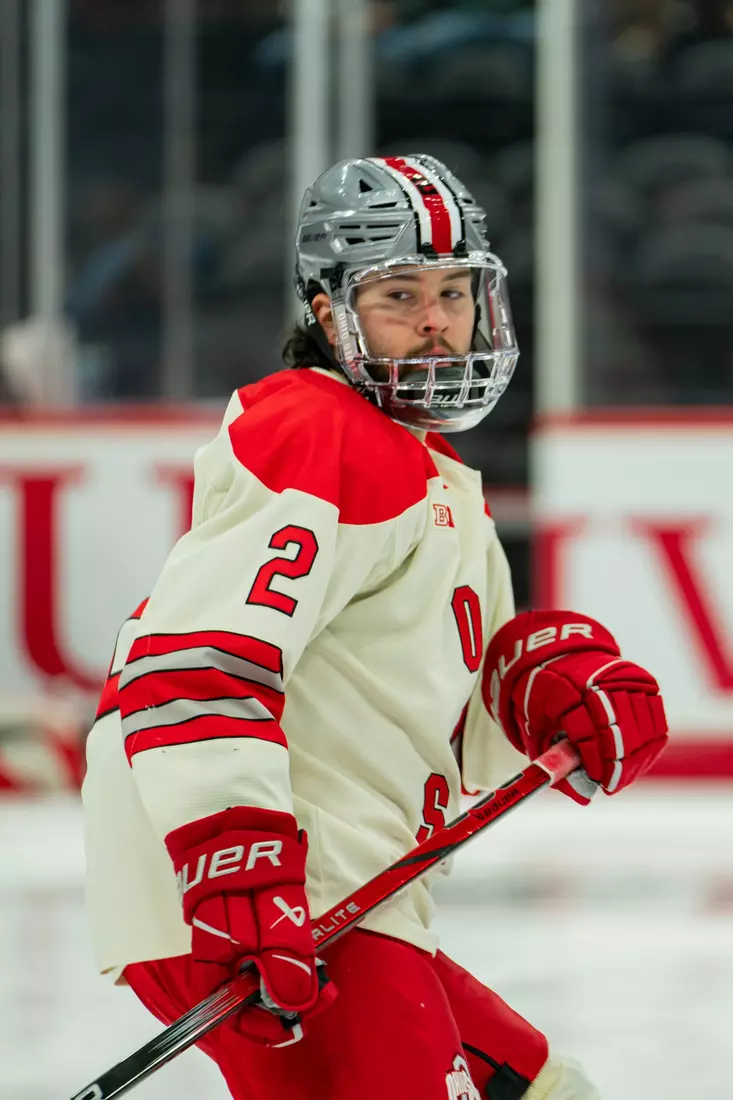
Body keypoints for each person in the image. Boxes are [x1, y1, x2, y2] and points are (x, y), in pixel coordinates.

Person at [81, 154, 669, 1100]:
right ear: (328, 316)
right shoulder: (317, 428)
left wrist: (537, 687)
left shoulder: (425, 468)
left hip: (344, 887)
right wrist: (234, 865)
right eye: (398, 294)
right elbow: (195, 661)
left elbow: (419, 709)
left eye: (454, 290)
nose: (436, 319)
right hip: (267, 883)